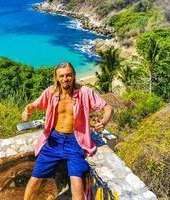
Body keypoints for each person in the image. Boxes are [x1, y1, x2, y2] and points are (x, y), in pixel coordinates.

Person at [22, 62, 113, 200]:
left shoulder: (85, 92)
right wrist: (27, 111)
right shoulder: (50, 92)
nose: (65, 79)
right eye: (62, 76)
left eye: (69, 75)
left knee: (77, 184)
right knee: (35, 179)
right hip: (53, 140)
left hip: (75, 142)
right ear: (57, 77)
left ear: (74, 75)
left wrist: (104, 122)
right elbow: (34, 105)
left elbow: (108, 108)